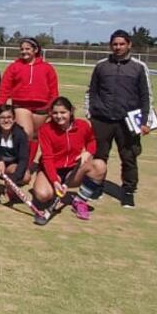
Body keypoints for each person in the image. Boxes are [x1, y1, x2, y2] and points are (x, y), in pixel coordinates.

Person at [85, 29, 153, 208]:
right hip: (102, 119)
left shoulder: (139, 67)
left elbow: (146, 96)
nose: (118, 47)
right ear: (110, 46)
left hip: (128, 120)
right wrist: (90, 113)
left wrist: (145, 121)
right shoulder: (101, 65)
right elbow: (91, 91)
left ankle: (128, 192)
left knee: (129, 157)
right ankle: (96, 187)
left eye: (122, 44)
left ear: (129, 45)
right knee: (99, 156)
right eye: (115, 44)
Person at [33, 96, 106, 224]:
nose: (59, 116)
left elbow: (91, 141)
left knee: (99, 166)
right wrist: (55, 180)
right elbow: (47, 158)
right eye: (55, 113)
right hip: (52, 170)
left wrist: (88, 152)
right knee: (42, 195)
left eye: (63, 112)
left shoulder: (83, 126)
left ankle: (80, 200)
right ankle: (53, 190)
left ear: (71, 111)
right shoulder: (45, 129)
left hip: (74, 170)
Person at [0, 37, 59, 164]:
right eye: (22, 49)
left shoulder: (47, 68)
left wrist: (53, 109)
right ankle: (21, 163)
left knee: (35, 137)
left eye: (27, 49)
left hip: (42, 108)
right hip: (21, 105)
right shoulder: (14, 67)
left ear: (35, 50)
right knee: (26, 134)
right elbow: (4, 89)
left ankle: (27, 164)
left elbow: (53, 91)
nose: (24, 51)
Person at [0, 104, 31, 202]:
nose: (6, 120)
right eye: (2, 118)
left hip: (11, 165)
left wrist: (15, 178)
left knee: (26, 176)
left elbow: (23, 158)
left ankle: (10, 188)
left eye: (9, 117)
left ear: (14, 119)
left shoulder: (20, 134)